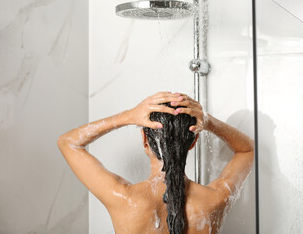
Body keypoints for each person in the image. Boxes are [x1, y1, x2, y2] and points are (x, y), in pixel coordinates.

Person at [57, 92, 254, 234]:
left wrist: (128, 116)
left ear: (144, 139)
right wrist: (208, 122)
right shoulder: (213, 201)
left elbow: (68, 143)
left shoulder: (124, 198)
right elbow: (247, 149)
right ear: (193, 141)